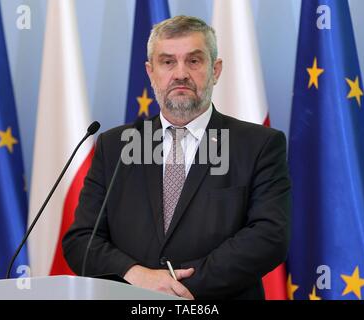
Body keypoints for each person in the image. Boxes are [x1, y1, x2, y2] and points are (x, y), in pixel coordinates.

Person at [62, 15, 291, 300]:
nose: (180, 73)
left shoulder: (259, 145)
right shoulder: (114, 147)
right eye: (168, 62)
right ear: (151, 71)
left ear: (215, 70)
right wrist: (136, 275)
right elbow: (81, 240)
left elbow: (269, 237)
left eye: (194, 61)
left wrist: (175, 290)